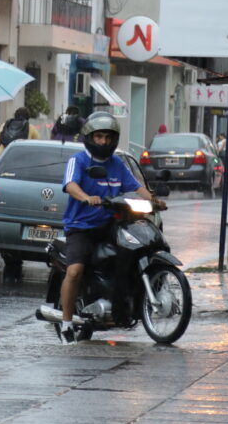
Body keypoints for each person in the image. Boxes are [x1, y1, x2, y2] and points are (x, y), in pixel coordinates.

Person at [58, 112, 164, 345]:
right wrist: (87, 197)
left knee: (133, 252)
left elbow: (136, 187)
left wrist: (154, 200)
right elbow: (70, 184)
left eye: (108, 137)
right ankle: (66, 324)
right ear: (89, 138)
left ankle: (121, 303)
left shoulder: (117, 163)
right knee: (74, 271)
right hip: (81, 226)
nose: (103, 141)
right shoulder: (79, 160)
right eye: (99, 137)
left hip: (110, 224)